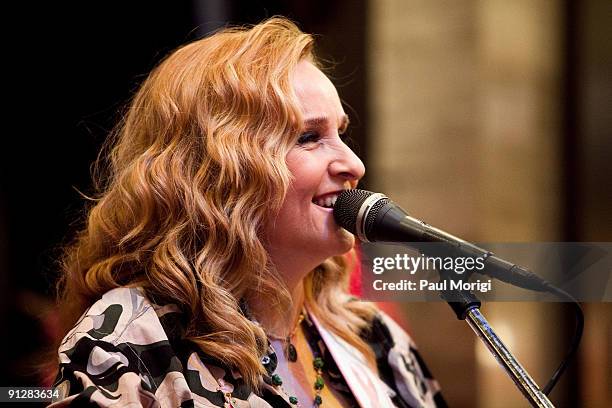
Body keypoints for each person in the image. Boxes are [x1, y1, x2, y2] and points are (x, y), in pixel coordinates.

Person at [49, 17, 446, 407]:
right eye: (309, 137)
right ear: (217, 171)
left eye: (341, 134)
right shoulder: (129, 345)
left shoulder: (369, 335)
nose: (354, 165)